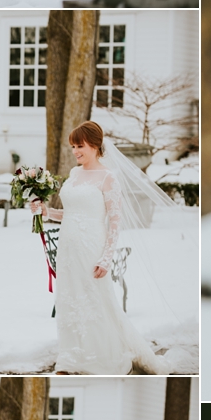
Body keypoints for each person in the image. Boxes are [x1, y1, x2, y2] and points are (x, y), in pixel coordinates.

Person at [31, 121, 165, 374]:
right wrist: (46, 211)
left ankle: (102, 356)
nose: (75, 151)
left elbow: (115, 222)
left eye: (79, 146)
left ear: (94, 145)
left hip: (91, 247)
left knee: (96, 302)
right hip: (68, 249)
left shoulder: (108, 177)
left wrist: (106, 258)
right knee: (70, 300)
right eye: (73, 146)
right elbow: (69, 214)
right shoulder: (73, 174)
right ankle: (71, 356)